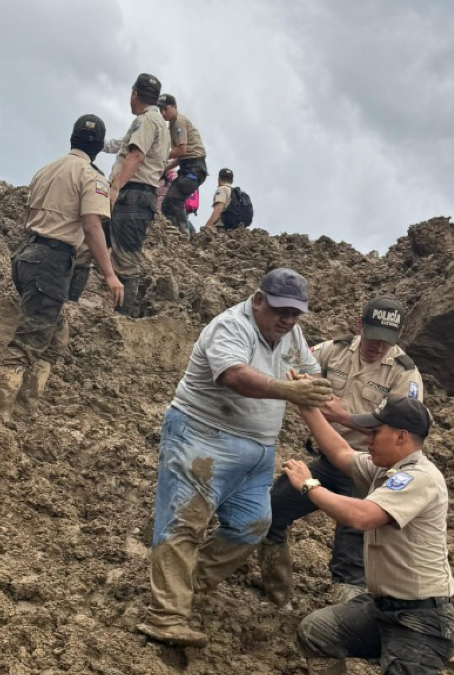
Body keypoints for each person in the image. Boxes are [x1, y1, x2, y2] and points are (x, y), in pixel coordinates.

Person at [136, 268, 333, 648]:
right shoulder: (230, 326)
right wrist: (288, 391)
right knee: (184, 522)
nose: (287, 320)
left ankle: (189, 582)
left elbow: (308, 370)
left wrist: (310, 384)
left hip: (258, 450)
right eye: (280, 310)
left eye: (295, 314)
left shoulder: (290, 332)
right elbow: (234, 376)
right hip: (203, 436)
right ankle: (167, 616)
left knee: (253, 524)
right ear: (258, 299)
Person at [260, 296, 424, 606]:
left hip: (367, 470)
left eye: (386, 342)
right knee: (270, 512)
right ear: (359, 325)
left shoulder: (404, 374)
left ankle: (343, 630)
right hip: (328, 461)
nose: (377, 347)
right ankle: (277, 597)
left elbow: (405, 433)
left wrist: (344, 417)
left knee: (350, 562)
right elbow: (293, 363)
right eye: (372, 337)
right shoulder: (334, 350)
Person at [281, 395, 454, 674]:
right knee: (318, 631)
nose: (368, 439)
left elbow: (362, 516)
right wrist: (307, 408)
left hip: (420, 620)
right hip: (381, 607)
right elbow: (340, 452)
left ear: (400, 437)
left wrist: (309, 485)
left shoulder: (419, 477)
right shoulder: (385, 469)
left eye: (375, 432)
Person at [0, 115, 125, 419]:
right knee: (29, 339)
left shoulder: (46, 169)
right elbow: (92, 226)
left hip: (26, 255)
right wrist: (111, 275)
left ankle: (27, 406)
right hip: (51, 261)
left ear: (72, 138)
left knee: (56, 335)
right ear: (100, 147)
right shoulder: (92, 177)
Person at [104, 73, 170, 317]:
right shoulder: (157, 122)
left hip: (134, 194)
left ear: (134, 94)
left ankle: (123, 319)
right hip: (142, 196)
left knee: (126, 260)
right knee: (118, 252)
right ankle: (120, 312)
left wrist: (115, 187)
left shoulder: (146, 121)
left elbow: (135, 156)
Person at [157, 94, 208, 234]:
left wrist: (159, 156)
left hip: (194, 168)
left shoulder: (178, 121)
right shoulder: (173, 123)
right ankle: (173, 233)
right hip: (188, 167)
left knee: (174, 200)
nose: (162, 113)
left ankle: (184, 234)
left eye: (165, 109)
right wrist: (163, 169)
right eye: (159, 109)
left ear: (174, 107)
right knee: (167, 204)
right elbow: (181, 157)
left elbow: (181, 150)